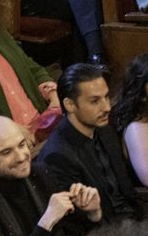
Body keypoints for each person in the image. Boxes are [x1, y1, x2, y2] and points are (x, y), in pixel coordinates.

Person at [35, 63, 141, 223]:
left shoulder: (104, 129)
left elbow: (128, 192)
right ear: (70, 105)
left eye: (106, 97)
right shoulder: (57, 156)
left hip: (133, 221)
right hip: (104, 235)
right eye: (95, 101)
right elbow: (77, 223)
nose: (106, 107)